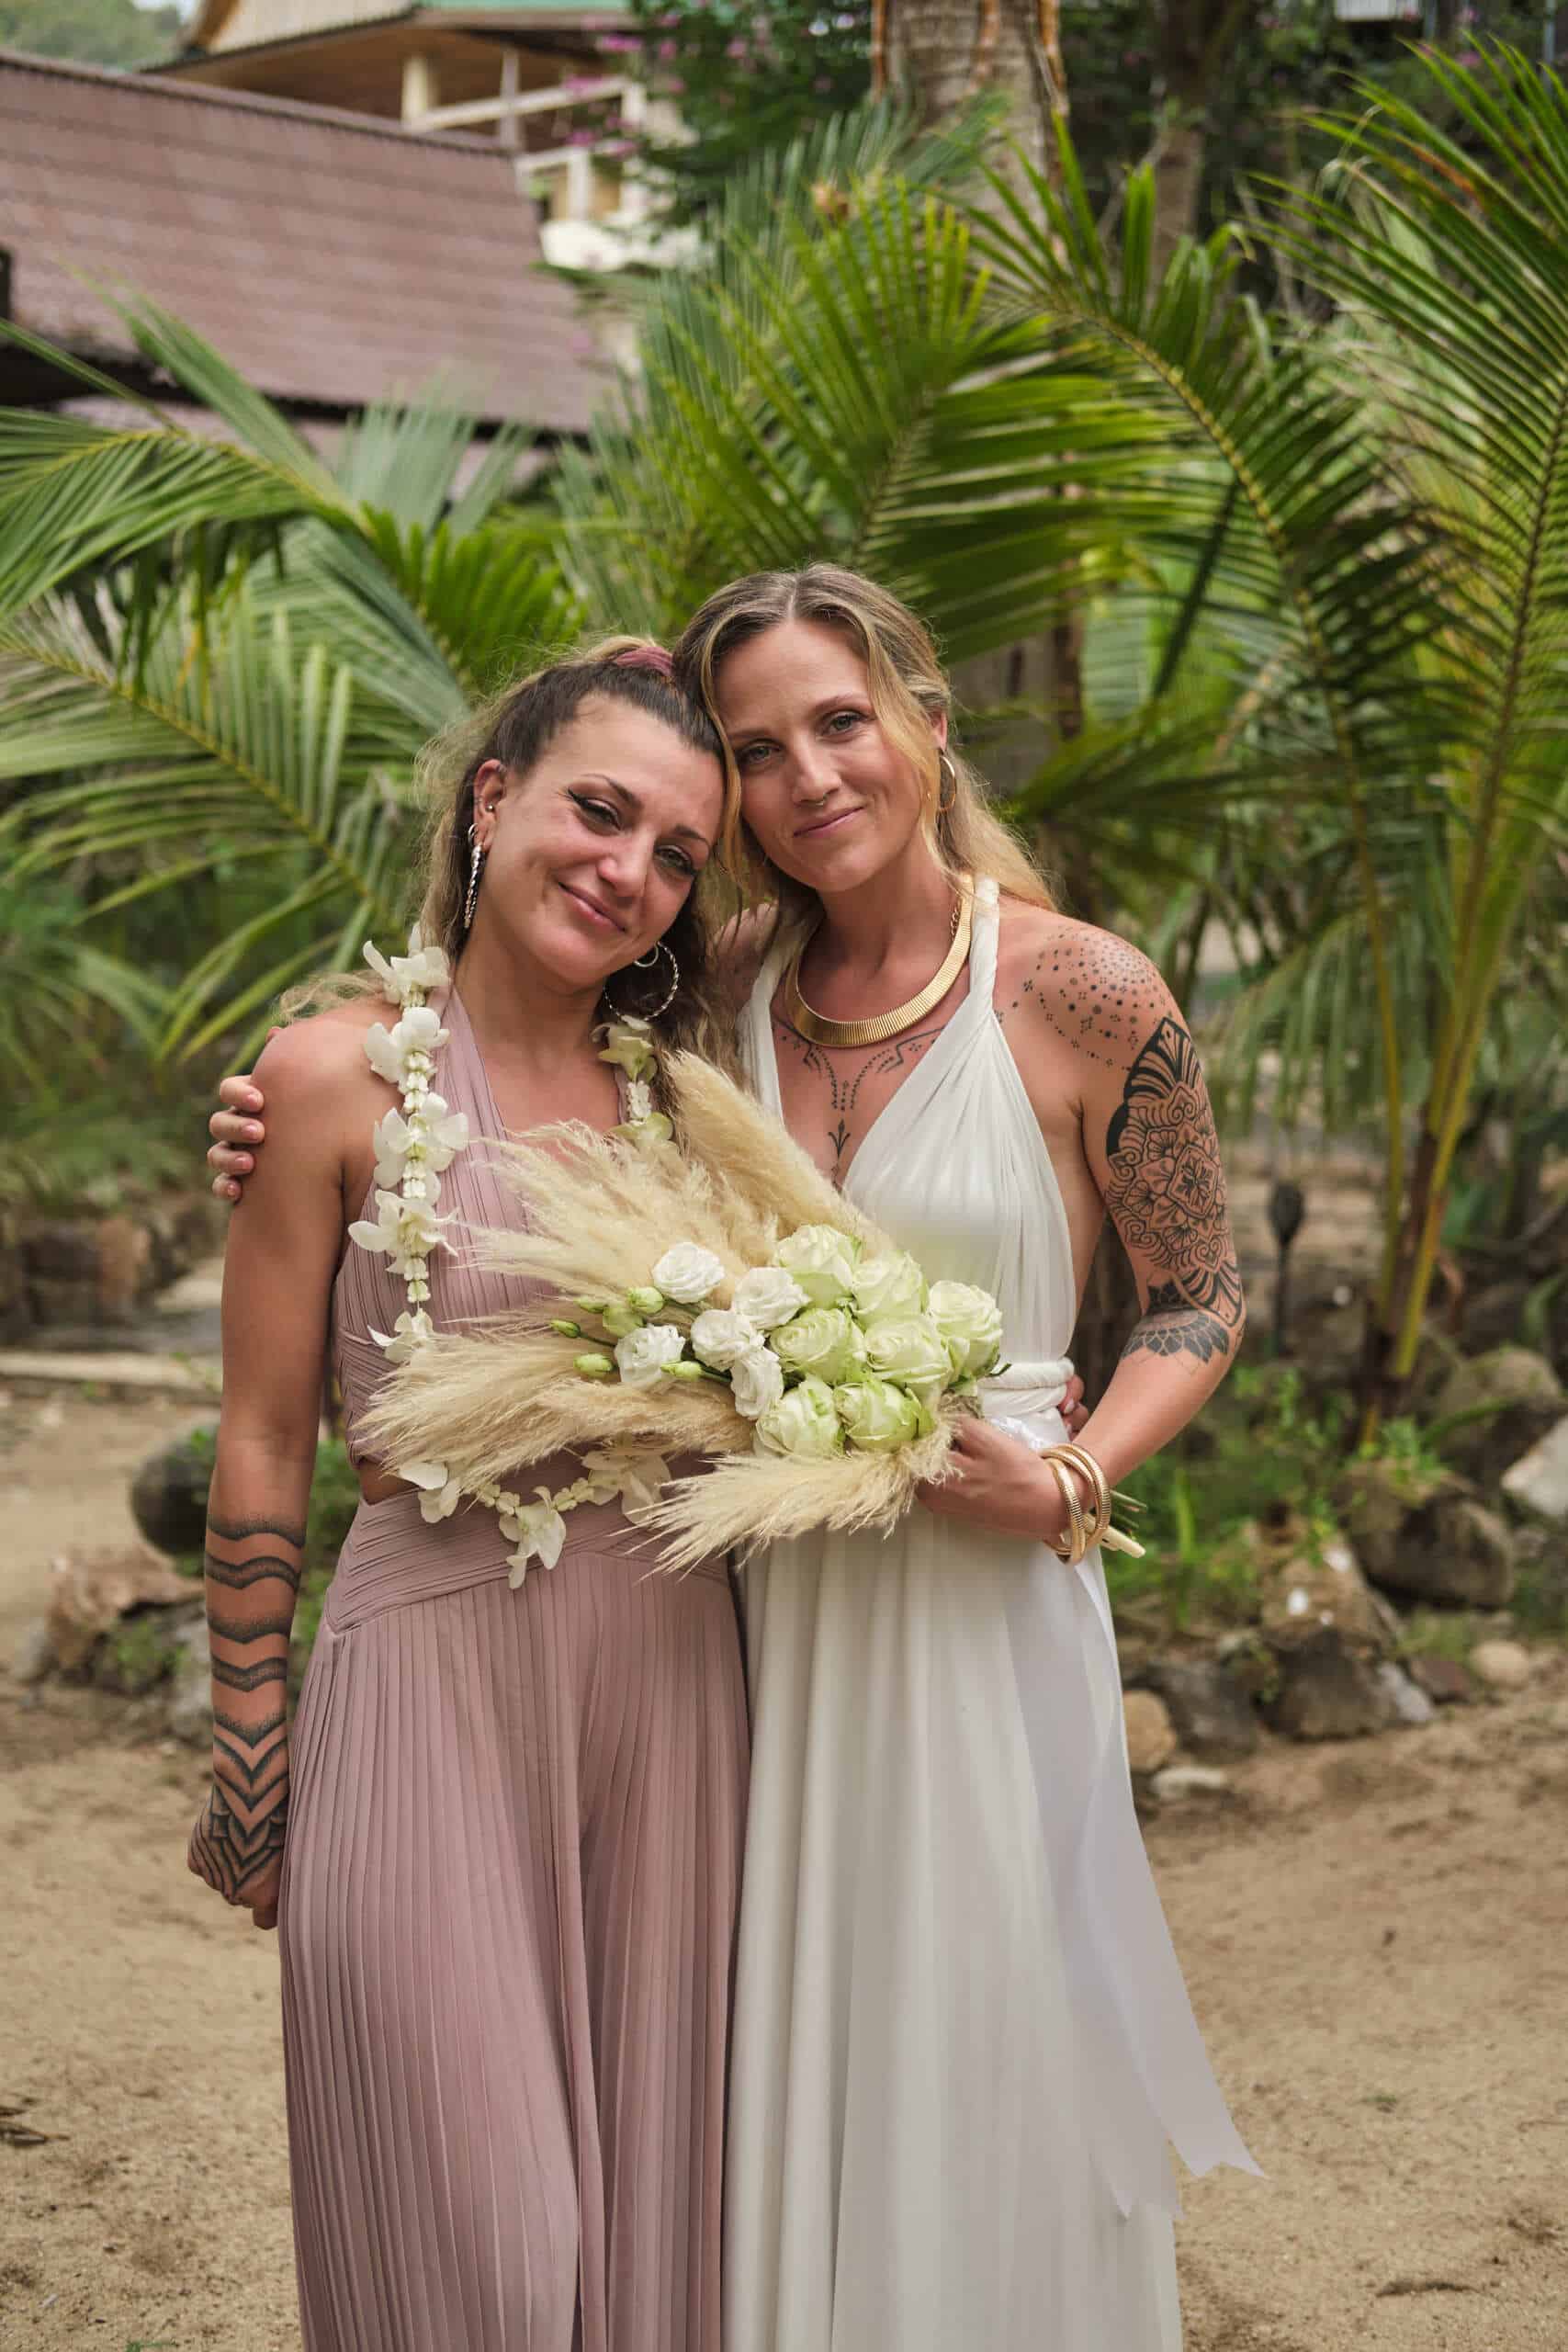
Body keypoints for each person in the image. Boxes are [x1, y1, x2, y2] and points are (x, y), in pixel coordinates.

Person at [209, 570, 1255, 2348]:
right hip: (753, 1617)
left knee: (968, 2081)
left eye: (839, 721)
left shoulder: (1077, 985)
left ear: (927, 719)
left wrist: (1075, 1476)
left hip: (959, 1613)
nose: (806, 776)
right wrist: (273, 1111)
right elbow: (489, 1058)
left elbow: (1202, 1290)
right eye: (758, 750)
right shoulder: (717, 1001)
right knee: (724, 2143)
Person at [188, 642, 749, 2352]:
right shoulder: (327, 1078)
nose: (629, 871)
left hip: (668, 1688)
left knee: (659, 2227)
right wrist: (248, 1750)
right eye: (600, 810)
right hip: (424, 1677)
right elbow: (264, 1436)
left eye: (676, 854)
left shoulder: (700, 1108)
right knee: (480, 2245)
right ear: (492, 800)